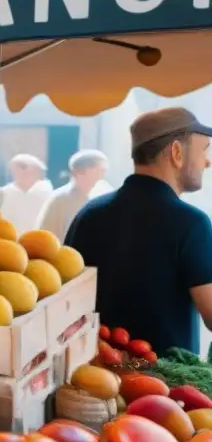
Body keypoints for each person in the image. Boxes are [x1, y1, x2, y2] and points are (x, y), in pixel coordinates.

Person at [66, 108, 212, 355]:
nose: (208, 161)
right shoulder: (191, 224)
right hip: (164, 387)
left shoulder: (88, 214)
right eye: (204, 149)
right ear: (177, 152)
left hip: (94, 379)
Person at [36, 150, 109, 241]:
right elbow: (45, 237)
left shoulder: (105, 193)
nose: (101, 174)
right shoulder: (59, 200)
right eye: (98, 169)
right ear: (78, 172)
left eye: (103, 170)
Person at [0, 154, 54, 235]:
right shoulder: (3, 193)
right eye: (14, 170)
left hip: (38, 242)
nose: (15, 173)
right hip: (8, 242)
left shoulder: (48, 193)